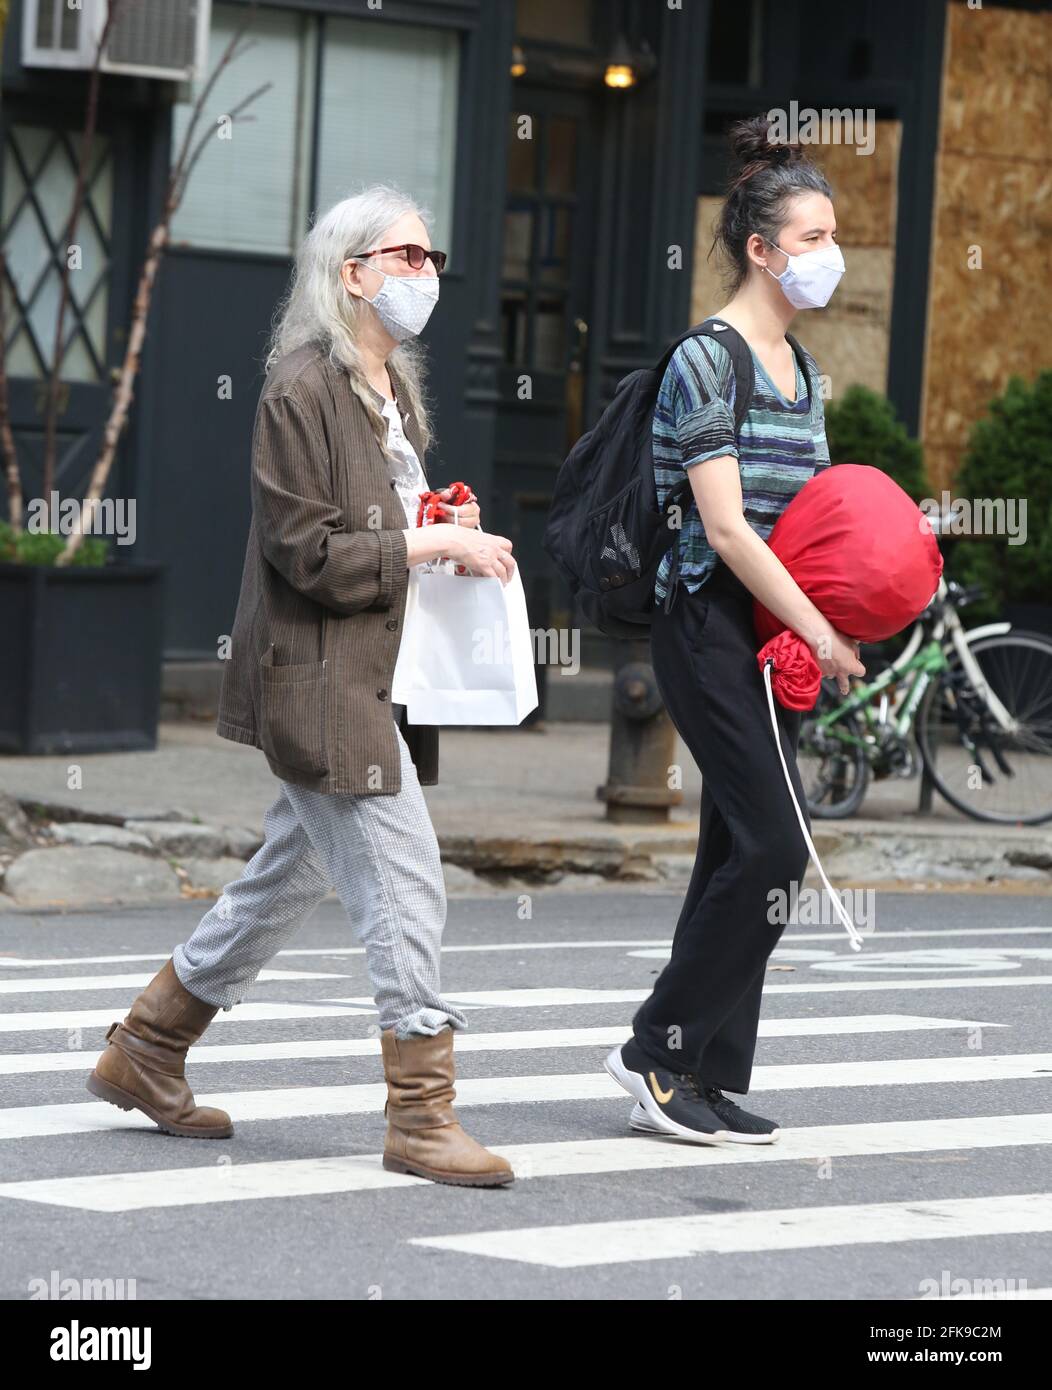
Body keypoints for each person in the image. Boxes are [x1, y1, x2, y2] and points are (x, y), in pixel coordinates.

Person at [87, 185, 517, 1188]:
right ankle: (419, 1115)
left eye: (431, 258)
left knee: (286, 877)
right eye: (404, 257)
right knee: (406, 880)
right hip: (319, 681)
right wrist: (428, 537)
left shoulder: (388, 387)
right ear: (349, 274)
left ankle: (148, 1045)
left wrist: (439, 521)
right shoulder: (298, 388)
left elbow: (383, 522)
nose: (426, 275)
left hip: (375, 677)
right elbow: (307, 551)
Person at [605, 115, 865, 1143]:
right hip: (704, 620)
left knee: (734, 845)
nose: (826, 255)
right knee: (771, 843)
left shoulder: (798, 368)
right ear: (758, 249)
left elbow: (802, 522)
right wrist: (821, 630)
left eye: (830, 235)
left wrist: (831, 610)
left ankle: (704, 1069)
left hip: (767, 631)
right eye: (808, 238)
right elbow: (722, 525)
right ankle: (654, 1047)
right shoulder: (705, 361)